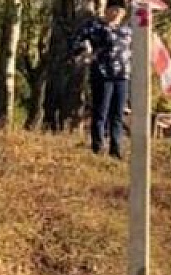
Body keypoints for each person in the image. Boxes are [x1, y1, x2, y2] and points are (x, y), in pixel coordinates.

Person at [69, 0, 132, 158]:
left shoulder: (126, 30)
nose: (116, 14)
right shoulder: (95, 26)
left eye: (120, 11)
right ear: (107, 10)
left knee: (117, 114)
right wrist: (86, 53)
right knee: (101, 111)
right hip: (102, 74)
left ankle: (115, 148)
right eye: (114, 10)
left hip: (122, 76)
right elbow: (76, 40)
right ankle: (98, 146)